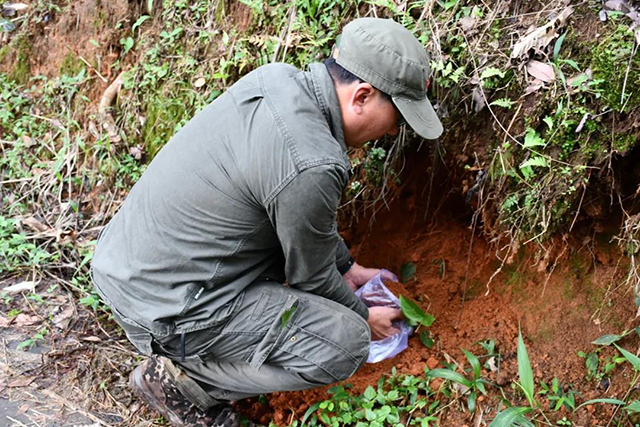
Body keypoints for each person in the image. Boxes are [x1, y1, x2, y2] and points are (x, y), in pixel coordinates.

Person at [91, 17, 443, 427]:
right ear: (361, 96)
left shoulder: (277, 81)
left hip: (129, 266)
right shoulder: (315, 163)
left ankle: (194, 355)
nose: (394, 129)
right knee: (346, 342)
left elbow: (296, 215)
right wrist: (366, 317)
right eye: (398, 115)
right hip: (166, 304)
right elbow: (310, 277)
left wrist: (347, 267)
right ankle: (181, 382)